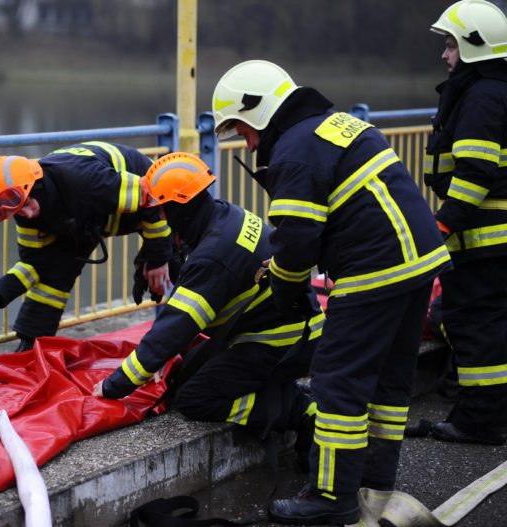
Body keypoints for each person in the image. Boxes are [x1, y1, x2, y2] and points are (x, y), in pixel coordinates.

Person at [212, 60, 452, 525]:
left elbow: (298, 238)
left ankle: (330, 498)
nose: (247, 143)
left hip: (375, 271)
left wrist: (284, 281)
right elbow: (339, 212)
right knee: (388, 384)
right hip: (419, 262)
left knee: (338, 382)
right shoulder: (335, 125)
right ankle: (374, 484)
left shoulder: (293, 152)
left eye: (242, 130)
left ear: (259, 113)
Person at [92, 152, 324, 471]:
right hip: (287, 328)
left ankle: (299, 410)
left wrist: (116, 384)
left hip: (281, 342)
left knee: (194, 397)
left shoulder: (214, 254)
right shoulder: (222, 215)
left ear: (178, 206)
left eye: (161, 207)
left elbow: (176, 326)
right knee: (185, 368)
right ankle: (287, 394)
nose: (158, 215)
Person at [0, 141, 177, 352]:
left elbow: (153, 198)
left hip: (154, 200)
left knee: (183, 264)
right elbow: (34, 264)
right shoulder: (21, 209)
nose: (28, 215)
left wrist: (157, 257)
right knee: (55, 274)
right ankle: (32, 345)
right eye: (19, 212)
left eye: (28, 204)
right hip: (90, 218)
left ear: (37, 185)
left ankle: (193, 339)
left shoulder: (82, 179)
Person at [424, 0, 507, 446]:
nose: (445, 55)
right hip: (492, 239)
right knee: (492, 326)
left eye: (452, 45)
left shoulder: (481, 96)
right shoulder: (494, 91)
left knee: (476, 328)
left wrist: (442, 226)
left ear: (473, 48)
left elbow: (474, 172)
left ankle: (479, 423)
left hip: (484, 241)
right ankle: (484, 414)